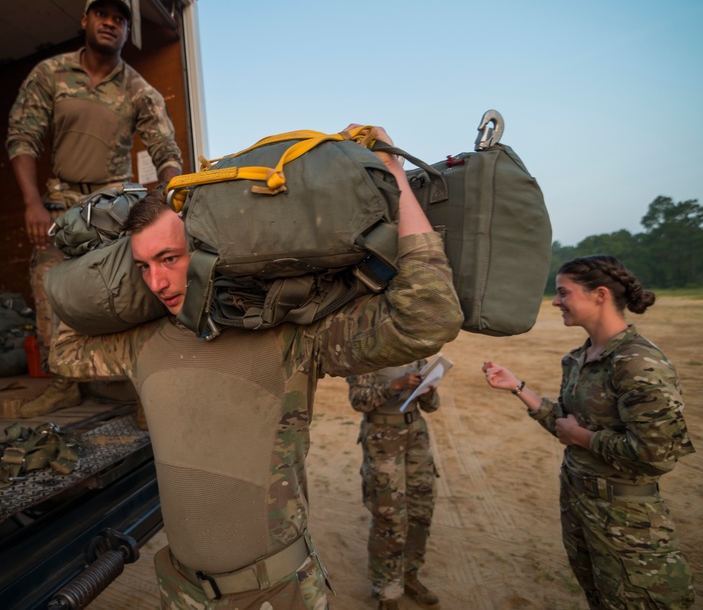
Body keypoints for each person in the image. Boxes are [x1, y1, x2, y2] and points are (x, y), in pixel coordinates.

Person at [49, 126, 463, 609]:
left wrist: (393, 170)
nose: (158, 282)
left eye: (170, 258)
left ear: (208, 250)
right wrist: (90, 250)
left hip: (278, 594)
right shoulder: (144, 343)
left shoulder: (293, 336)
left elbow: (427, 317)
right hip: (182, 595)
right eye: (142, 267)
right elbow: (65, 351)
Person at [6, 0, 182, 413]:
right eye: (102, 15)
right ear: (85, 20)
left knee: (131, 291)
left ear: (126, 32)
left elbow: (165, 150)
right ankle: (63, 381)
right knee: (49, 287)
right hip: (60, 202)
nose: (110, 23)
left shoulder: (139, 89)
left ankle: (145, 387)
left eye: (119, 19)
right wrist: (31, 202)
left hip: (115, 206)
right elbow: (22, 137)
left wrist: (174, 195)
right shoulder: (51, 74)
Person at [482, 255, 695, 609]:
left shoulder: (637, 362)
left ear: (599, 295)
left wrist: (584, 438)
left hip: (627, 520)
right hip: (581, 505)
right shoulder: (578, 358)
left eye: (563, 292)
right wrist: (518, 387)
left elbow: (658, 455)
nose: (555, 301)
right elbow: (566, 424)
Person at [346, 360, 441, 610]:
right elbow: (358, 400)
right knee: (389, 517)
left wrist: (430, 391)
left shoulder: (418, 351)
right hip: (382, 437)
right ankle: (386, 591)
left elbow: (432, 407)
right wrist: (394, 385)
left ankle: (409, 575)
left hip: (416, 435)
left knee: (421, 510)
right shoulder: (370, 351)